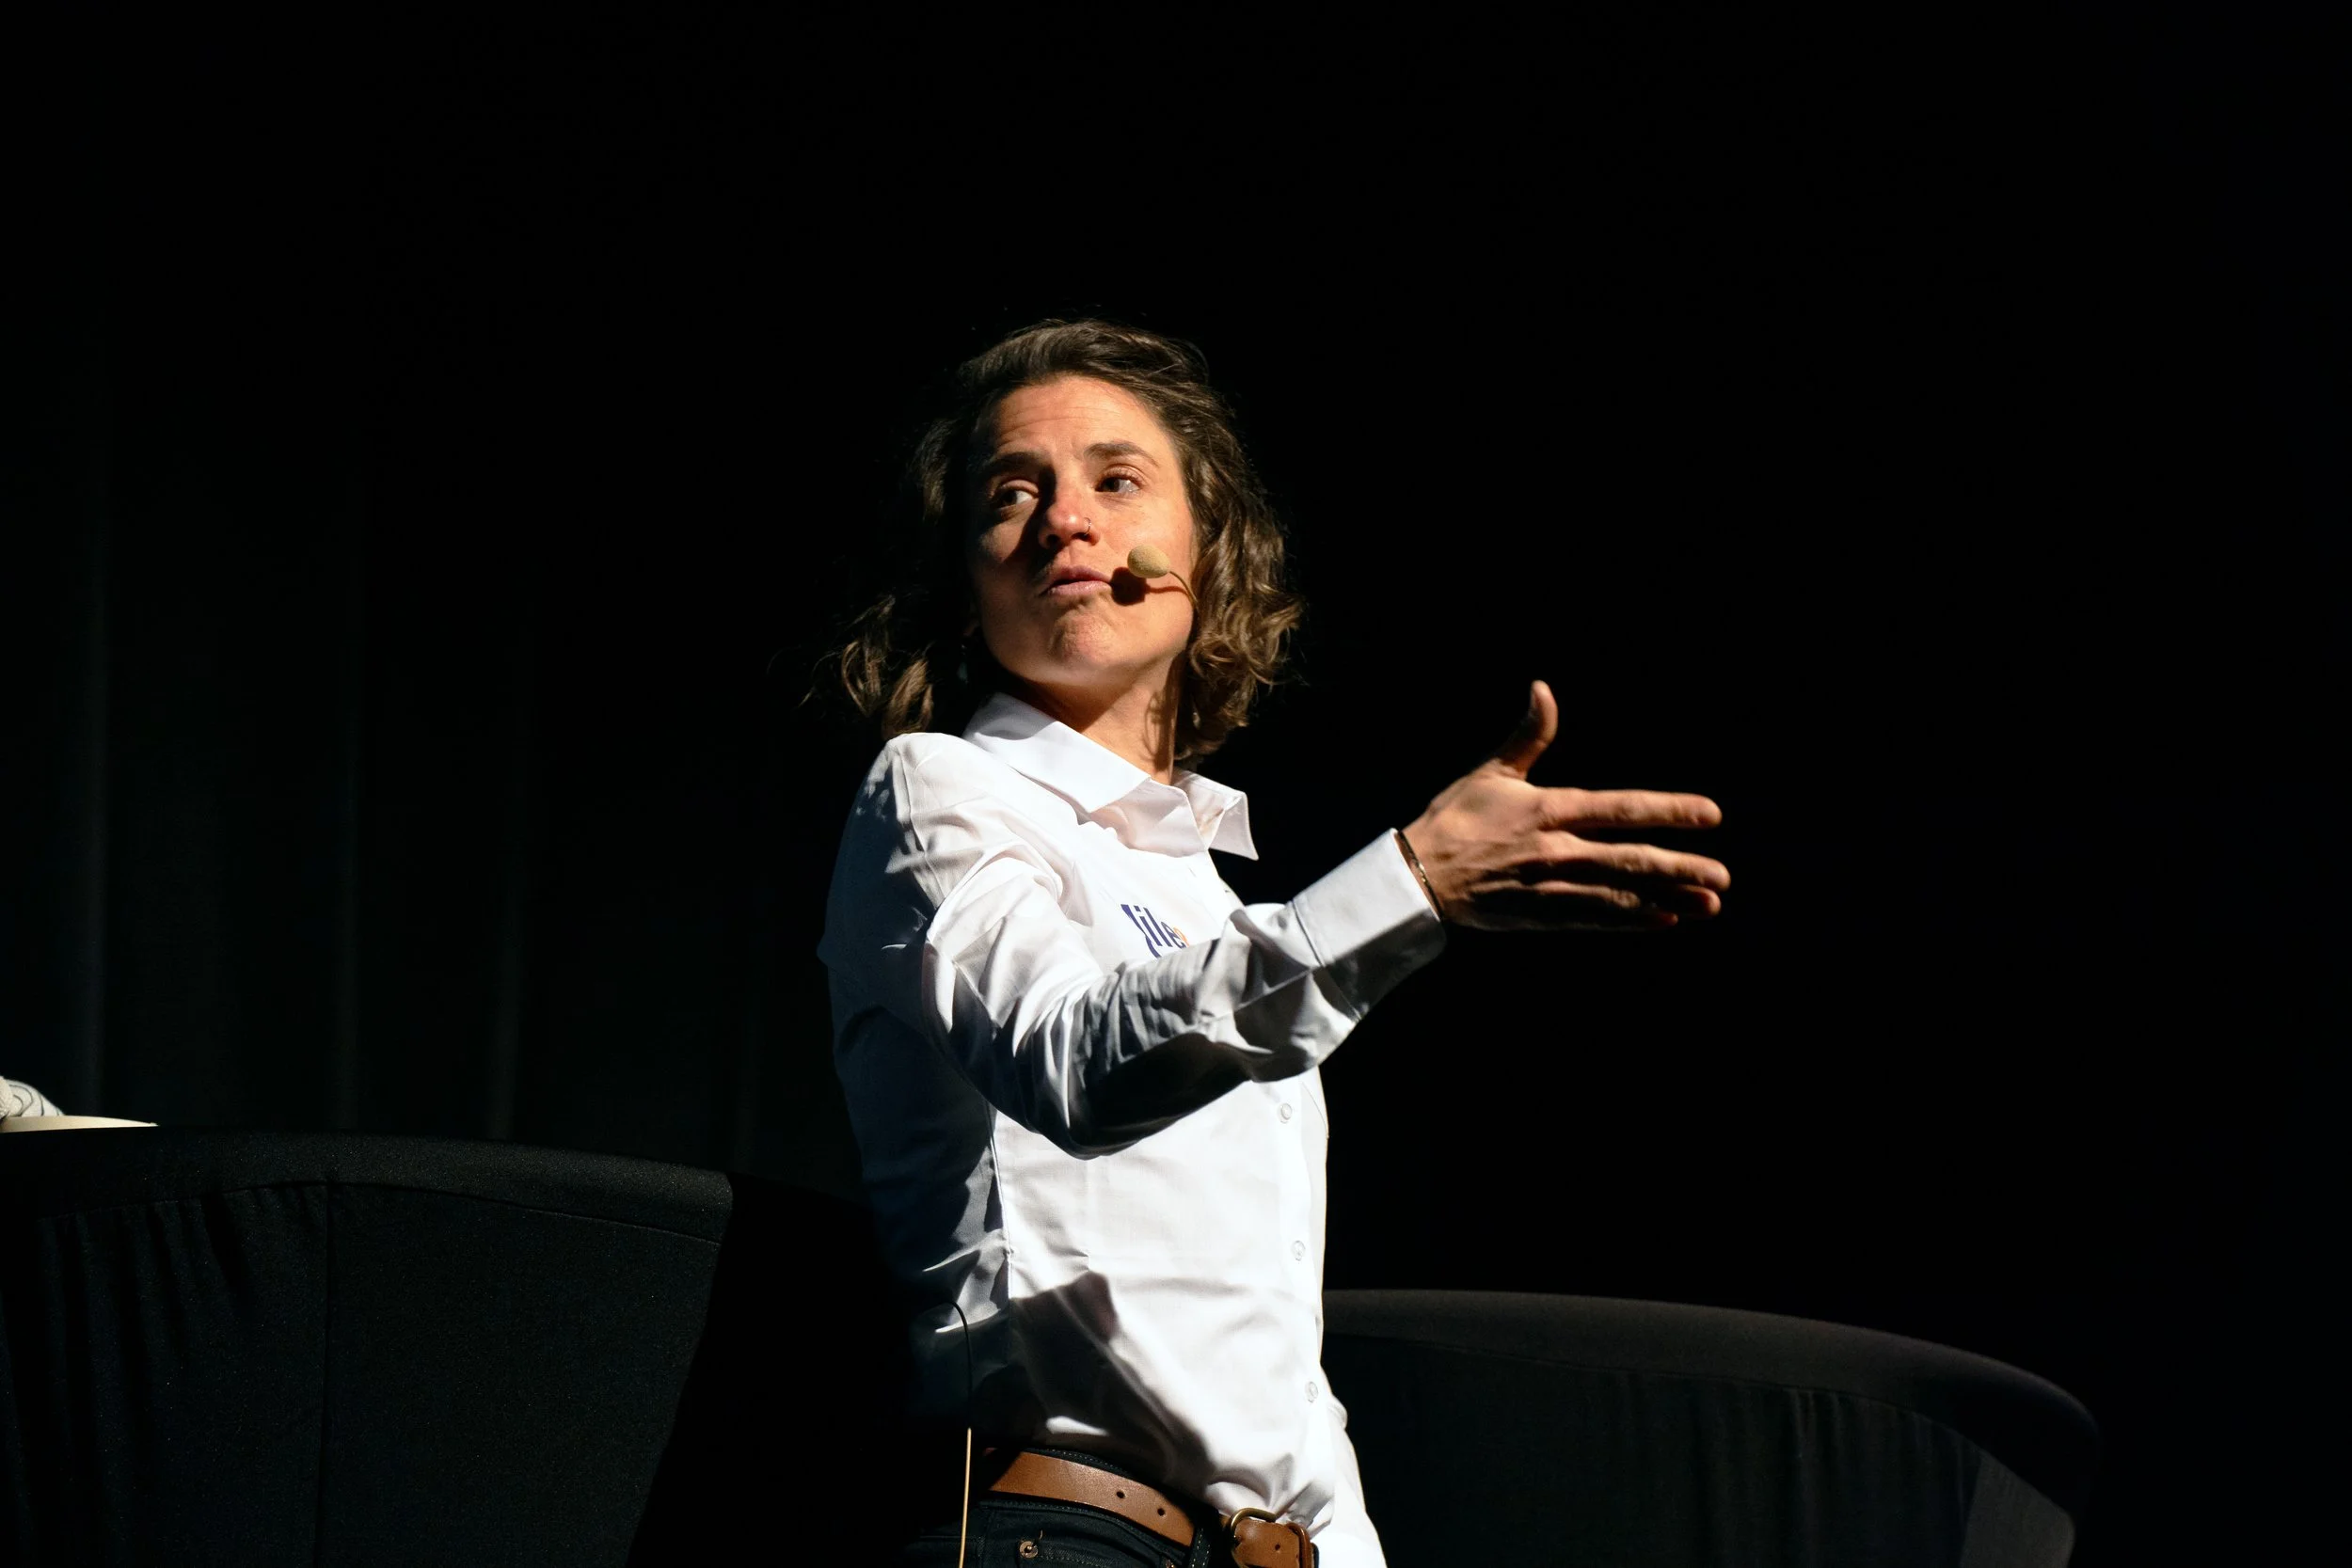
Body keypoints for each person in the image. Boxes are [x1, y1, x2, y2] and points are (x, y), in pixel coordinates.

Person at [816, 320, 1728, 1567]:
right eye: (1008, 495)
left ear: (1207, 552)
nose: (1063, 521)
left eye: (1115, 480)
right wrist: (1409, 883)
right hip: (1058, 1530)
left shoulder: (1204, 889)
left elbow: (1269, 1368)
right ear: (967, 579)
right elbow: (1072, 1060)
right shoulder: (935, 789)